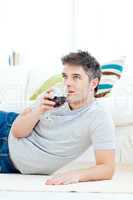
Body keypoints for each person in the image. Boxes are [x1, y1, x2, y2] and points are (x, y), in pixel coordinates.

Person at [0, 50, 116, 185]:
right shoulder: (54, 94)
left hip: (8, 161)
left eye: (76, 77)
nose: (68, 83)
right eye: (65, 76)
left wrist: (78, 175)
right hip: (7, 125)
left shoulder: (99, 117)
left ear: (93, 84)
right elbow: (17, 132)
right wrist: (38, 111)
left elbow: (107, 168)